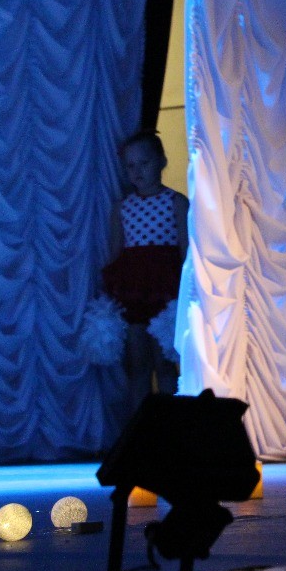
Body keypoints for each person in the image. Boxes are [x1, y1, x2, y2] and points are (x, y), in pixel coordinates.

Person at [101, 129, 189, 415]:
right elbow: (116, 253)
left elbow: (186, 251)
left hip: (167, 291)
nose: (137, 171)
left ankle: (171, 427)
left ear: (161, 161)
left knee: (165, 363)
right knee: (137, 364)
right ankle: (140, 429)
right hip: (133, 291)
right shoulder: (122, 208)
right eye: (131, 166)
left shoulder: (176, 202)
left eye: (144, 163)